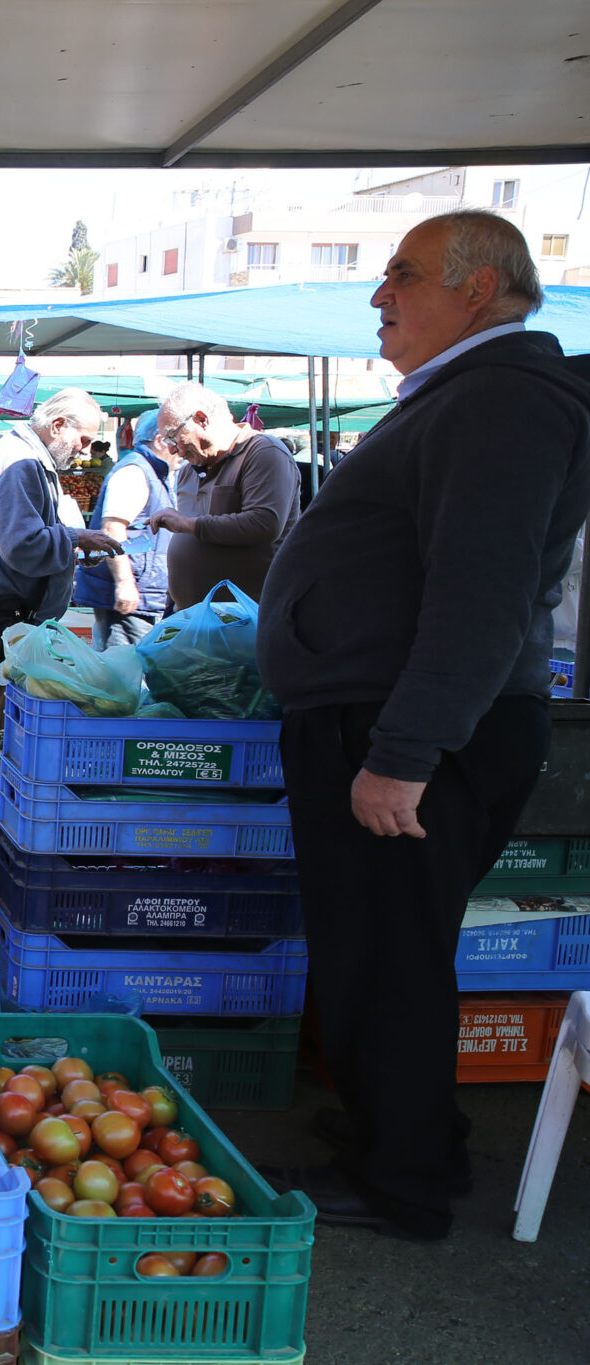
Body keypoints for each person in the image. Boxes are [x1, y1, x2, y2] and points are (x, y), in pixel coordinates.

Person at [255, 210, 590, 1241]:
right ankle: (396, 1141)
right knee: (374, 950)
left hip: (407, 733)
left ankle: (401, 1187)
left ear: (478, 287)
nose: (377, 296)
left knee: (390, 958)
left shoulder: (499, 401)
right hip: (383, 719)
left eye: (400, 275)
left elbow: (479, 595)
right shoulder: (467, 396)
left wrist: (401, 756)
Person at [0, 388, 119, 726]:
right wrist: (76, 536)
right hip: (10, 619)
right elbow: (21, 545)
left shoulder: (29, 460)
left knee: (12, 720)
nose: (84, 450)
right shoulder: (19, 463)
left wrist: (72, 550)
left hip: (16, 618)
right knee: (5, 725)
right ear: (58, 425)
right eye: (83, 439)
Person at [149, 382, 300, 607]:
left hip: (244, 618)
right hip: (192, 616)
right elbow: (188, 542)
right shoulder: (188, 471)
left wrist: (188, 524)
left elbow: (264, 523)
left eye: (173, 437)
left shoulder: (263, 452)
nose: (172, 450)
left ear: (201, 419)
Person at [73, 409, 178, 648]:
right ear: (160, 440)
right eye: (174, 440)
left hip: (143, 595)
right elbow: (112, 529)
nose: (179, 449)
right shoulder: (135, 471)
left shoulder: (154, 471)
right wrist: (124, 582)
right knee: (126, 669)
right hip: (129, 598)